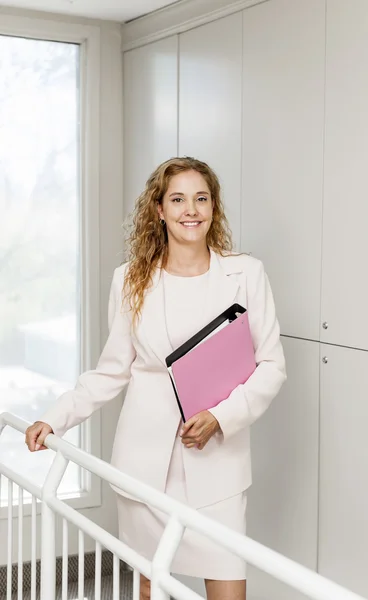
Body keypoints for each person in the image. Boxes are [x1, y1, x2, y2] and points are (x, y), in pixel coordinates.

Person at [25, 157, 286, 600]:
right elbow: (111, 371)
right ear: (159, 210)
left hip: (218, 465)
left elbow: (272, 366)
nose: (191, 210)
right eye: (178, 199)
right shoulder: (130, 280)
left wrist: (221, 418)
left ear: (214, 207)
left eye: (201, 198)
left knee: (227, 588)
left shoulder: (246, 273)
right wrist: (55, 418)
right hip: (145, 466)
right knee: (150, 589)